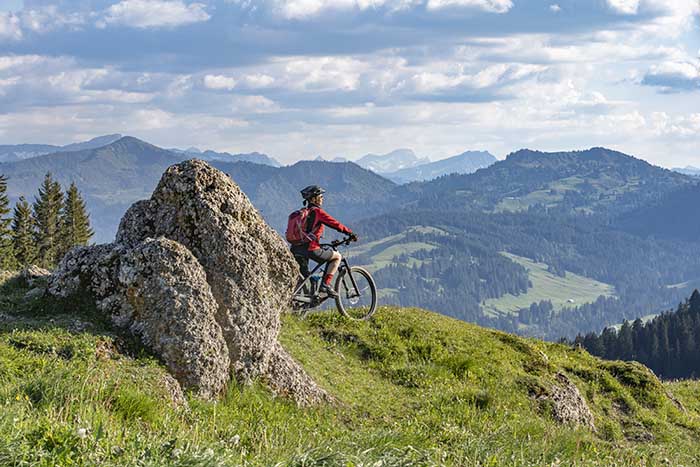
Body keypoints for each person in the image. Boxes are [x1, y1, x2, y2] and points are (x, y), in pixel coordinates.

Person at [291, 185, 357, 298]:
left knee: (304, 275)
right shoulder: (317, 212)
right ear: (313, 199)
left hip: (295, 248)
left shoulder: (300, 213)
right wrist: (350, 233)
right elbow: (335, 224)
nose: (322, 198)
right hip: (310, 249)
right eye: (320, 196)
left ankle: (301, 300)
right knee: (336, 257)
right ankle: (325, 285)